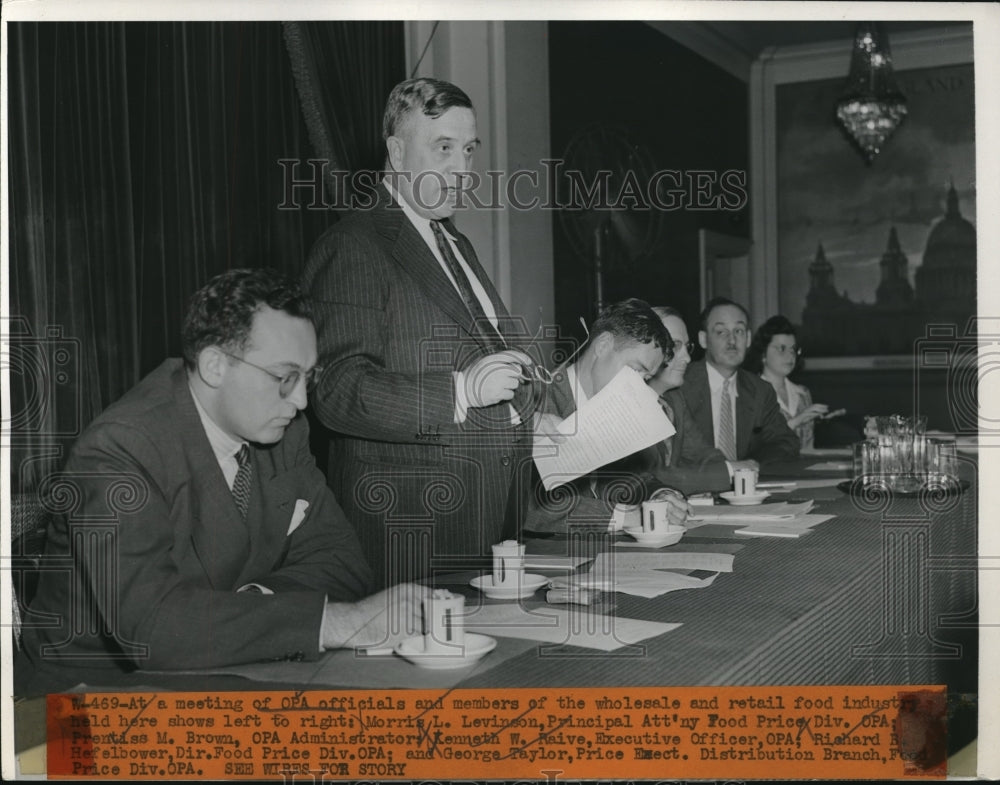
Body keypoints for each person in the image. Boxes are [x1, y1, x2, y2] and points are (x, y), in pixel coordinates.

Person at [16, 269, 428, 695]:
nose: (302, 401)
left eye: (308, 378)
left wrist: (252, 603)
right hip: (91, 696)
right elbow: (152, 630)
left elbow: (343, 561)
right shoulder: (118, 449)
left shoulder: (285, 430)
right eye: (285, 378)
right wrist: (336, 622)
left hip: (228, 668)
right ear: (215, 365)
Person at [303, 77, 536, 588]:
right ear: (396, 150)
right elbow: (336, 390)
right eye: (444, 148)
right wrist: (458, 391)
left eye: (469, 150)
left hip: (487, 524)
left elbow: (494, 364)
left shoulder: (454, 242)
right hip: (410, 534)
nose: (462, 169)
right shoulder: (355, 244)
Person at [524, 299, 689, 534]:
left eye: (645, 377)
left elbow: (628, 479)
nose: (638, 386)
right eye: (635, 370)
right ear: (602, 345)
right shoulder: (533, 400)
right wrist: (627, 516)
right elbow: (524, 505)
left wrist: (659, 495)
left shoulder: (614, 407)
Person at [677, 297, 799, 465]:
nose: (732, 341)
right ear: (703, 339)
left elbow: (786, 442)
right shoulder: (679, 386)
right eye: (721, 332)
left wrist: (747, 468)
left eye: (739, 331)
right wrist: (725, 472)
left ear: (748, 338)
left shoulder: (760, 391)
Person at [743, 315, 833, 451]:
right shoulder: (751, 393)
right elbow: (753, 447)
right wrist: (796, 421)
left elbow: (809, 448)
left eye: (793, 349)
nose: (790, 355)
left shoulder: (803, 393)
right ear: (763, 354)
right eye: (781, 349)